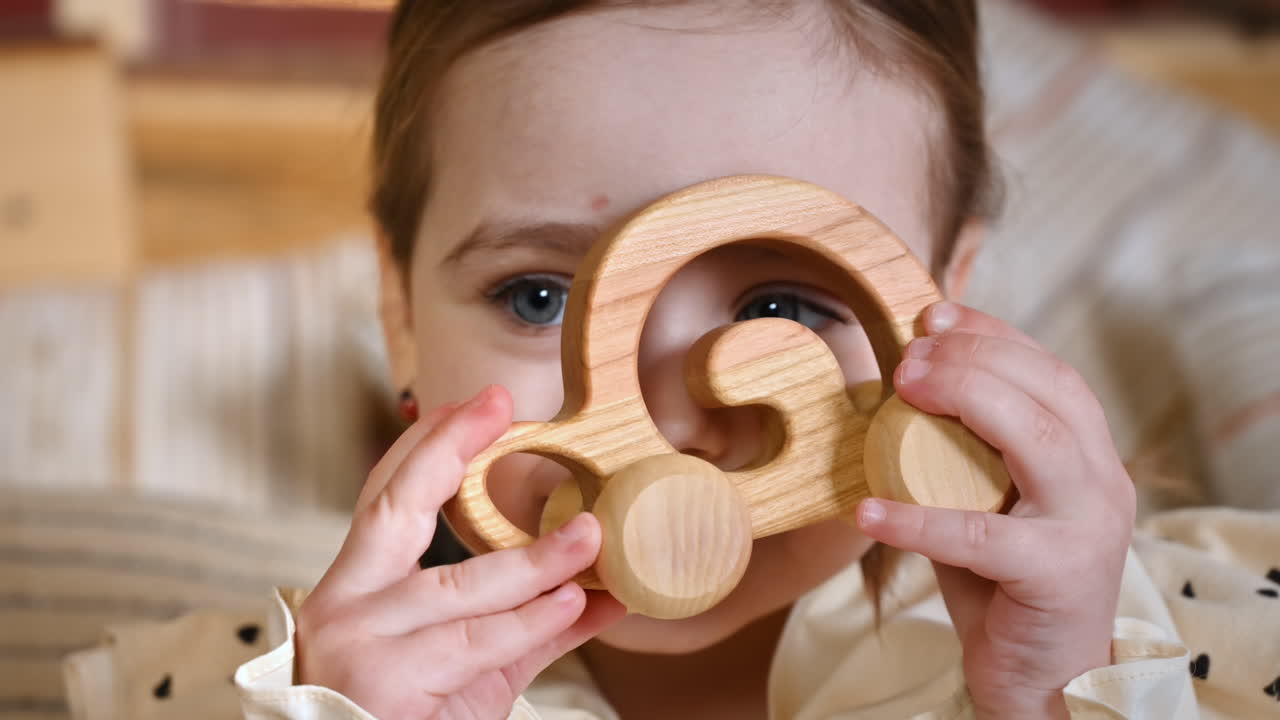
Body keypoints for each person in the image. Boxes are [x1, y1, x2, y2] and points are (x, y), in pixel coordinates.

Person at [69, 1, 1280, 718]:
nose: (667, 421)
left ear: (941, 296)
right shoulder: (257, 692)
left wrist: (1051, 690)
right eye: (540, 295)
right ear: (397, 311)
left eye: (789, 307)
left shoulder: (1151, 650)